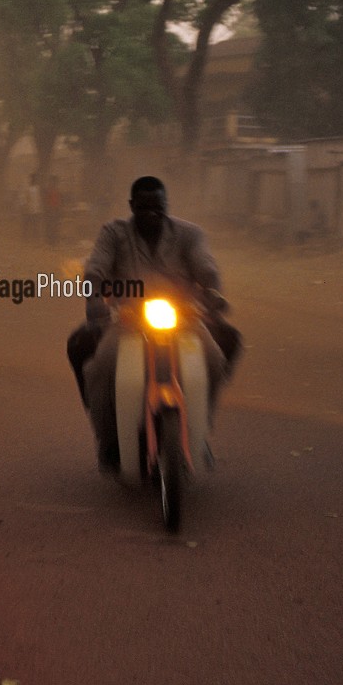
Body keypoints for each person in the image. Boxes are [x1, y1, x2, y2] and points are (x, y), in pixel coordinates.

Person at [66, 176, 241, 472]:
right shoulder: (113, 233)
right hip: (128, 321)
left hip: (183, 320)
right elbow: (96, 268)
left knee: (213, 358)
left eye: (157, 207)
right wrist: (94, 301)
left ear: (166, 206)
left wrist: (213, 293)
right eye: (143, 208)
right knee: (99, 368)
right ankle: (108, 442)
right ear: (132, 206)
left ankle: (199, 429)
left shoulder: (189, 234)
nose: (151, 214)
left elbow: (206, 267)